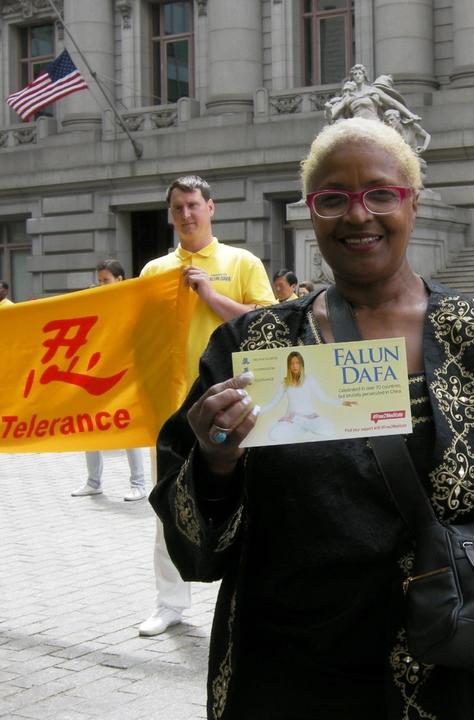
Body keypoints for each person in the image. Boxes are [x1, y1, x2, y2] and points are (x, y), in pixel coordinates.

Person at [149, 118, 474, 720]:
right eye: (332, 198)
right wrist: (215, 460)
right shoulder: (255, 347)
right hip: (302, 673)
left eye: (379, 194)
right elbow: (197, 547)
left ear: (412, 204)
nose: (357, 214)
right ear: (312, 212)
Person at [137, 175, 276, 638]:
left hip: (235, 402)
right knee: (168, 504)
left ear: (210, 208)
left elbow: (267, 323)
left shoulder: (241, 262)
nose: (186, 214)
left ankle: (248, 597)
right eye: (178, 207)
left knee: (248, 498)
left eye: (193, 205)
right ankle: (169, 602)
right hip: (171, 407)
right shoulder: (154, 270)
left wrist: (212, 297)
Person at [70, 260, 147, 502]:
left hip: (123, 373)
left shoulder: (131, 303)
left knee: (128, 427)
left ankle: (138, 484)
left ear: (120, 279)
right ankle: (93, 482)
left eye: (106, 280)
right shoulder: (95, 302)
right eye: (99, 280)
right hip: (95, 372)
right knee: (88, 425)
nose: (102, 284)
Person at [262, 350, 356, 443]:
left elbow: (323, 397)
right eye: (292, 363)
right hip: (292, 419)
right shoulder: (285, 383)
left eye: (297, 363)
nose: (295, 366)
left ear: (301, 364)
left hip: (310, 417)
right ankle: (303, 427)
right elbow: (274, 402)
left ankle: (304, 426)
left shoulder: (309, 379)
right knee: (274, 434)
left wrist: (342, 402)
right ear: (288, 366)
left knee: (330, 429)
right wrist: (258, 410)